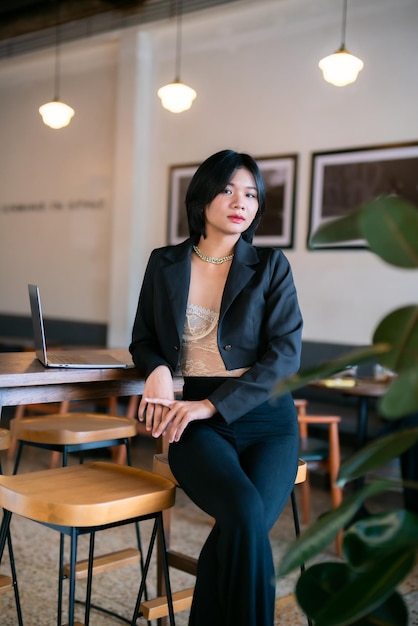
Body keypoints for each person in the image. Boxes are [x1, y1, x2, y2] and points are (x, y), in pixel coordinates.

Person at [129, 149, 303, 626]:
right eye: (228, 189)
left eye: (250, 193)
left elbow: (285, 356)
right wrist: (158, 369)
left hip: (268, 420)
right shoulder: (164, 263)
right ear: (203, 195)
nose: (239, 201)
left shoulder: (270, 265)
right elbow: (143, 338)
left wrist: (210, 404)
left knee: (239, 525)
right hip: (195, 425)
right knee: (245, 515)